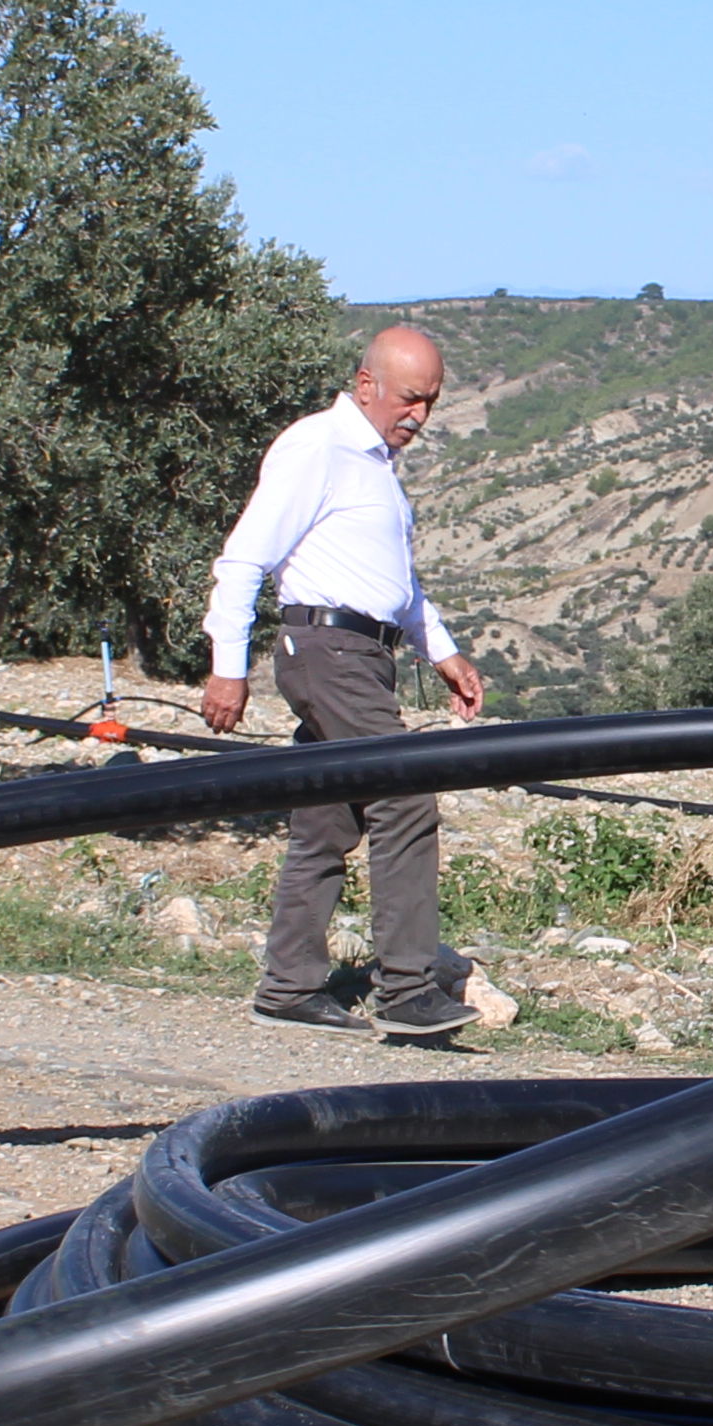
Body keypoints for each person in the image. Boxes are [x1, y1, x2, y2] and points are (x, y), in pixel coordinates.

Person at [202, 323, 492, 1040]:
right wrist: (226, 667)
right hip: (327, 650)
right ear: (366, 386)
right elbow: (243, 560)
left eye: (429, 403)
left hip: (361, 654)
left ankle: (290, 985)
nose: (418, 417)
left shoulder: (375, 469)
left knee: (327, 816)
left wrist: (443, 654)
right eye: (408, 399)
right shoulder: (317, 448)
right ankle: (406, 990)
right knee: (405, 792)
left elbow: (393, 585)